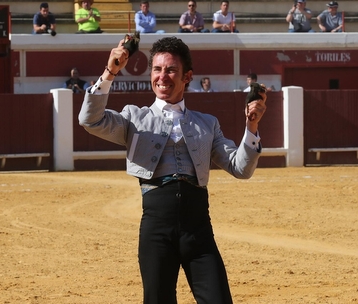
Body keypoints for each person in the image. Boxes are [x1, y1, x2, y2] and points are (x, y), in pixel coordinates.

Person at [78, 36, 267, 304]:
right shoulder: (134, 117)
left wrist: (252, 127)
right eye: (157, 69)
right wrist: (110, 71)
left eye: (170, 70)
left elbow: (241, 168)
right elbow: (90, 119)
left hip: (198, 228)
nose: (162, 76)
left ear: (187, 76)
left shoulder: (207, 124)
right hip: (156, 226)